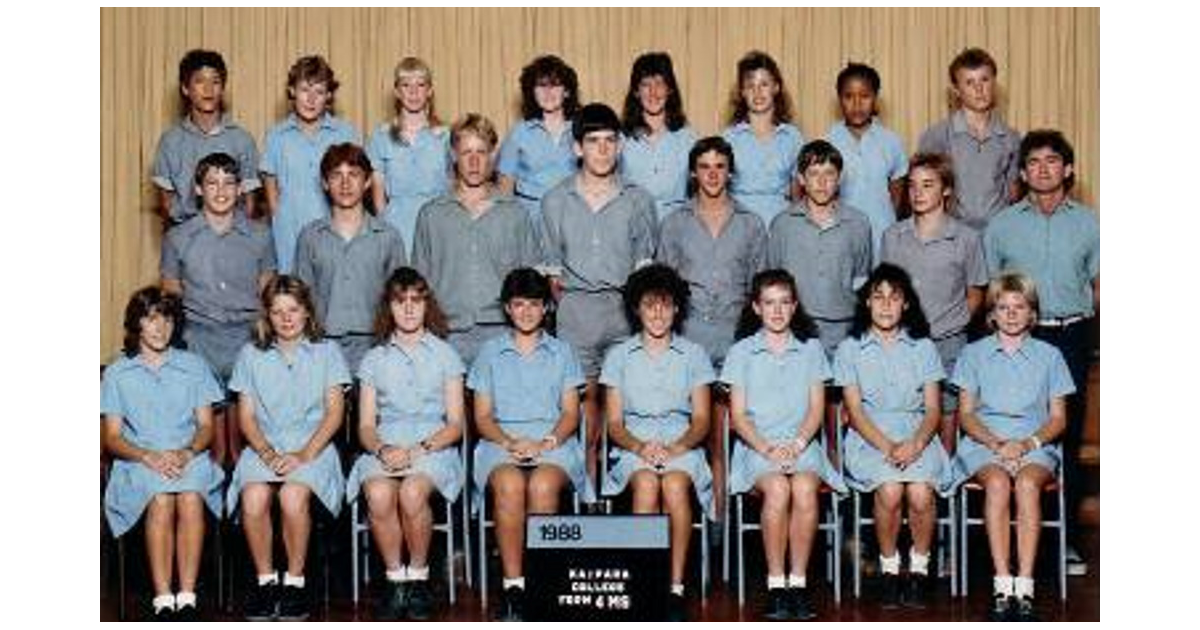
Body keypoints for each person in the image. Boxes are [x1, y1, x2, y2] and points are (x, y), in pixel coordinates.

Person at [983, 129, 1099, 577]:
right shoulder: (1002, 224)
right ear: (1023, 172)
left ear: (1068, 169)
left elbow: (1100, 286)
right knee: (1008, 423)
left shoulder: (1089, 223)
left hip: (1070, 335)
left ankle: (1064, 541)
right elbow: (991, 291)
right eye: (1033, 162)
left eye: (1053, 161)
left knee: (1064, 435)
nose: (1043, 169)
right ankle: (998, 543)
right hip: (1017, 338)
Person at [539, 102, 658, 487]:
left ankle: (625, 500)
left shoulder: (639, 199)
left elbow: (645, 270)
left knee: (628, 410)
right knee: (586, 417)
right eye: (593, 141)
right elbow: (551, 277)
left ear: (620, 146)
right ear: (577, 148)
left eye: (610, 141)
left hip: (624, 311)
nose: (603, 149)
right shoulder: (555, 200)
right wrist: (572, 308)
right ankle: (588, 501)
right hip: (576, 313)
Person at [468, 268, 594, 621]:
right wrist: (511, 443)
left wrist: (545, 443)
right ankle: (514, 586)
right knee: (508, 484)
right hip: (500, 441)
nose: (526, 312)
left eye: (534, 304)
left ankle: (545, 582)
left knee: (541, 484)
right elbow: (482, 418)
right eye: (518, 304)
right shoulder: (489, 352)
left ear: (546, 309)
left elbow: (571, 413)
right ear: (507, 308)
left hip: (552, 440)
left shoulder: (562, 352)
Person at [722, 269, 846, 620]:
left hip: (801, 444)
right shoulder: (742, 352)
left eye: (784, 303)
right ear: (756, 308)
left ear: (794, 307)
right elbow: (740, 416)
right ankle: (776, 585)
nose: (777, 311)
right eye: (769, 303)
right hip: (757, 448)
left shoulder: (811, 349)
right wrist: (768, 450)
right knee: (777, 489)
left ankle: (799, 583)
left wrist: (797, 443)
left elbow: (816, 410)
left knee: (805, 488)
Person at [950, 272, 1074, 622]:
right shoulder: (973, 354)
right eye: (1003, 307)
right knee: (999, 483)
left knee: (1027, 484)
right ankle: (1003, 585)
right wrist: (997, 444)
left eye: (1019, 306)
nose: (1011, 313)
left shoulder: (1050, 356)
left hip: (1034, 444)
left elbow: (1059, 419)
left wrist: (1028, 443)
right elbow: (967, 415)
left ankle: (1026, 585)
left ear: (1032, 313)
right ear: (991, 314)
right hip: (984, 443)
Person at [657, 135, 767, 528]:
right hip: (690, 343)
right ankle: (700, 529)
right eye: (705, 166)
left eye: (720, 166)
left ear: (731, 172)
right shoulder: (674, 223)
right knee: (698, 438)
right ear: (693, 173)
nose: (713, 174)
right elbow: (664, 289)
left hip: (736, 343)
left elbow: (761, 292)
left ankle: (727, 529)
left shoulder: (752, 224)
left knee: (729, 438)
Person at [226, 275, 350, 621]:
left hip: (314, 446)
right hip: (265, 446)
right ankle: (266, 583)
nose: (286, 318)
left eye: (293, 309)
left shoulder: (327, 352)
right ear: (267, 316)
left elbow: (334, 413)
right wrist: (266, 453)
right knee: (253, 498)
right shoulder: (250, 355)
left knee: (292, 496)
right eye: (277, 311)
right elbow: (247, 418)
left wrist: (304, 455)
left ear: (307, 312)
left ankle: (295, 583)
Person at [345, 268, 466, 621]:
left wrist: (416, 451)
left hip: (432, 446)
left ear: (427, 304)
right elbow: (366, 426)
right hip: (385, 444)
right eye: (400, 302)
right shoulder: (374, 359)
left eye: (416, 300)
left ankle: (418, 578)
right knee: (380, 494)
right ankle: (395, 580)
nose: (409, 309)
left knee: (413, 492)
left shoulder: (446, 355)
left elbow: (456, 424)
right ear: (389, 307)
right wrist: (383, 450)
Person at [101, 287, 225, 621]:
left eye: (167, 319)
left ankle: (186, 596)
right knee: (160, 498)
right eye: (150, 319)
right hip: (137, 461)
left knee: (189, 496)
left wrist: (186, 453)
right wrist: (147, 456)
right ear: (136, 324)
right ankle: (162, 597)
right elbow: (111, 437)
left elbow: (205, 427)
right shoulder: (116, 373)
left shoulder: (195, 366)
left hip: (189, 456)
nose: (160, 328)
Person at [833, 264, 951, 610]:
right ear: (866, 303)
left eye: (894, 297)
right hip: (870, 436)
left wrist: (915, 444)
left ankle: (917, 570)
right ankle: (888, 570)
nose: (886, 305)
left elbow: (932, 410)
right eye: (878, 297)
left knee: (918, 491)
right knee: (889, 488)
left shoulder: (923, 347)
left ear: (906, 305)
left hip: (917, 433)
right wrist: (888, 447)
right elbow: (854, 412)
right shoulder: (849, 349)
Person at [601, 264, 714, 622]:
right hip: (636, 445)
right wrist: (640, 448)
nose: (658, 314)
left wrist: (676, 448)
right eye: (650, 305)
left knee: (677, 487)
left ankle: (676, 586)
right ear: (637, 308)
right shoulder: (619, 356)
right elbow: (615, 424)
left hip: (682, 444)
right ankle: (645, 583)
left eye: (665, 305)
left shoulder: (694, 354)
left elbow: (701, 420)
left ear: (677, 308)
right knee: (647, 485)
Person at [161, 152, 277, 465]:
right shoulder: (178, 237)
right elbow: (172, 294)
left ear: (241, 189)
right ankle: (210, 498)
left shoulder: (261, 235)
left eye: (229, 183)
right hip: (198, 339)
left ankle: (243, 497)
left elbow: (267, 290)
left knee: (246, 435)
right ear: (198, 189)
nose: (221, 190)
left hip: (247, 337)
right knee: (206, 437)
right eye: (212, 183)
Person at [411, 114, 542, 365]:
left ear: (493, 156)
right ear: (453, 156)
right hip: (446, 334)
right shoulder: (431, 214)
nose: (473, 161)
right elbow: (421, 282)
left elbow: (531, 282)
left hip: (502, 332)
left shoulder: (514, 212)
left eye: (481, 152)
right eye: (466, 152)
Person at [880, 152, 987, 446]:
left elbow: (976, 290)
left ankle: (948, 485)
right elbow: (886, 291)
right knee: (908, 408)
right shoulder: (893, 236)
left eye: (928, 185)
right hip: (903, 340)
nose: (917, 193)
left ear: (946, 189)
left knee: (949, 410)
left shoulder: (966, 238)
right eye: (912, 185)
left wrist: (954, 324)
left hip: (948, 340)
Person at [294, 143, 407, 373]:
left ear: (367, 182)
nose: (345, 184)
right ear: (325, 183)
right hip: (324, 347)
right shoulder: (309, 237)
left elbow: (401, 299)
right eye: (336, 175)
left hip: (377, 348)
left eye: (353, 175)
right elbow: (300, 298)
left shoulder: (388, 236)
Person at [767, 139, 872, 355]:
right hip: (796, 329)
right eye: (814, 174)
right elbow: (773, 280)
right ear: (801, 179)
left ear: (839, 179)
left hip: (844, 329)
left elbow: (861, 278)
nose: (822, 182)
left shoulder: (858, 223)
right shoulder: (782, 224)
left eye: (829, 174)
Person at [261, 54, 360, 272]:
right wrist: (281, 223)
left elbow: (356, 185)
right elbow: (272, 195)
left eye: (319, 92)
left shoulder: (346, 133)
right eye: (305, 90)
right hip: (289, 233)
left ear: (329, 96)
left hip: (335, 230)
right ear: (292, 91)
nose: (311, 99)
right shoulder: (276, 136)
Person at [152, 49, 260, 228]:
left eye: (215, 82)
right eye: (200, 81)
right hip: (185, 235)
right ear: (185, 88)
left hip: (231, 236)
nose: (208, 89)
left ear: (223, 88)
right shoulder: (170, 141)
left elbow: (249, 204)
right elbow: (167, 203)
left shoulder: (242, 140)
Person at [917, 47, 1021, 231]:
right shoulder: (936, 136)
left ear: (994, 83)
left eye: (985, 80)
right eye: (969, 82)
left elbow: (1014, 193)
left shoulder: (1011, 138)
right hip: (951, 235)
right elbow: (923, 193)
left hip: (997, 235)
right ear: (957, 90)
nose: (979, 89)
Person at [367, 57, 452, 256]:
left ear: (429, 90)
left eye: (420, 85)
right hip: (396, 226)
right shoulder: (380, 136)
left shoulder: (446, 136)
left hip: (437, 224)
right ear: (397, 91)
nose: (413, 92)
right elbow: (378, 196)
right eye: (406, 85)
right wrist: (385, 230)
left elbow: (453, 185)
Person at [824, 62, 908, 261]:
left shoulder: (891, 141)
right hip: (841, 237)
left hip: (882, 235)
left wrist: (887, 225)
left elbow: (897, 195)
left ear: (875, 99)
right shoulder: (828, 142)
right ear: (839, 99)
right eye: (848, 96)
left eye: (865, 96)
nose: (857, 104)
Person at [497, 54, 581, 230]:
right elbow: (505, 189)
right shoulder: (519, 133)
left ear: (566, 91)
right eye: (541, 86)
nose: (548, 92)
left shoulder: (582, 130)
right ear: (532, 92)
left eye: (555, 85)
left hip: (575, 220)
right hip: (531, 223)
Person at [722, 50, 804, 227]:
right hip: (738, 226)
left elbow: (798, 194)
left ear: (776, 87)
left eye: (764, 84)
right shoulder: (729, 138)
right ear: (742, 92)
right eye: (750, 86)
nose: (757, 92)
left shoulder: (792, 137)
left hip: (781, 225)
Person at [619, 51, 698, 222]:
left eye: (660, 83)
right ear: (636, 91)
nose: (653, 92)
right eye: (646, 84)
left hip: (678, 227)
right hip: (633, 226)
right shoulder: (621, 138)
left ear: (670, 89)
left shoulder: (688, 138)